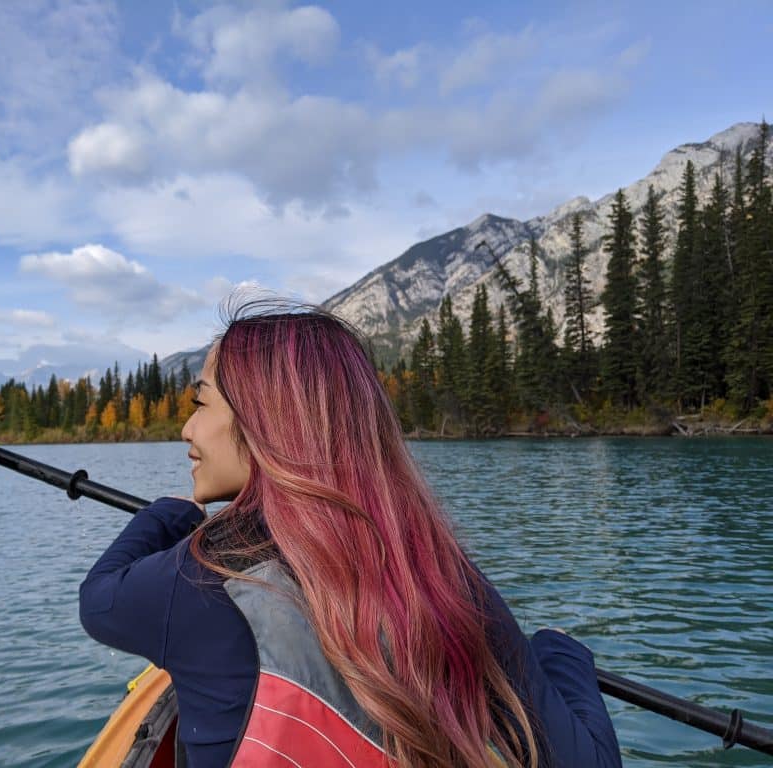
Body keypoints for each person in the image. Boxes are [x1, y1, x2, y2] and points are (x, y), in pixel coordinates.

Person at [81, 299, 621, 768]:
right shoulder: (442, 577)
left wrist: (171, 513)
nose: (187, 428)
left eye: (200, 403)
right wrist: (559, 651)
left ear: (263, 421)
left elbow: (100, 598)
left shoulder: (195, 580)